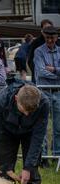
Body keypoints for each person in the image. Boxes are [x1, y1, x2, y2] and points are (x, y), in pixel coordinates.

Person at [34, 25, 60, 164]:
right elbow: (40, 71)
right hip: (44, 92)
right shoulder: (39, 51)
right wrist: (58, 74)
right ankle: (43, 157)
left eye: (53, 37)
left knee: (58, 126)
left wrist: (54, 69)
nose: (50, 40)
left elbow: (47, 71)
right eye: (48, 37)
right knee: (42, 125)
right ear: (44, 37)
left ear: (56, 37)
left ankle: (56, 155)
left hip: (58, 92)